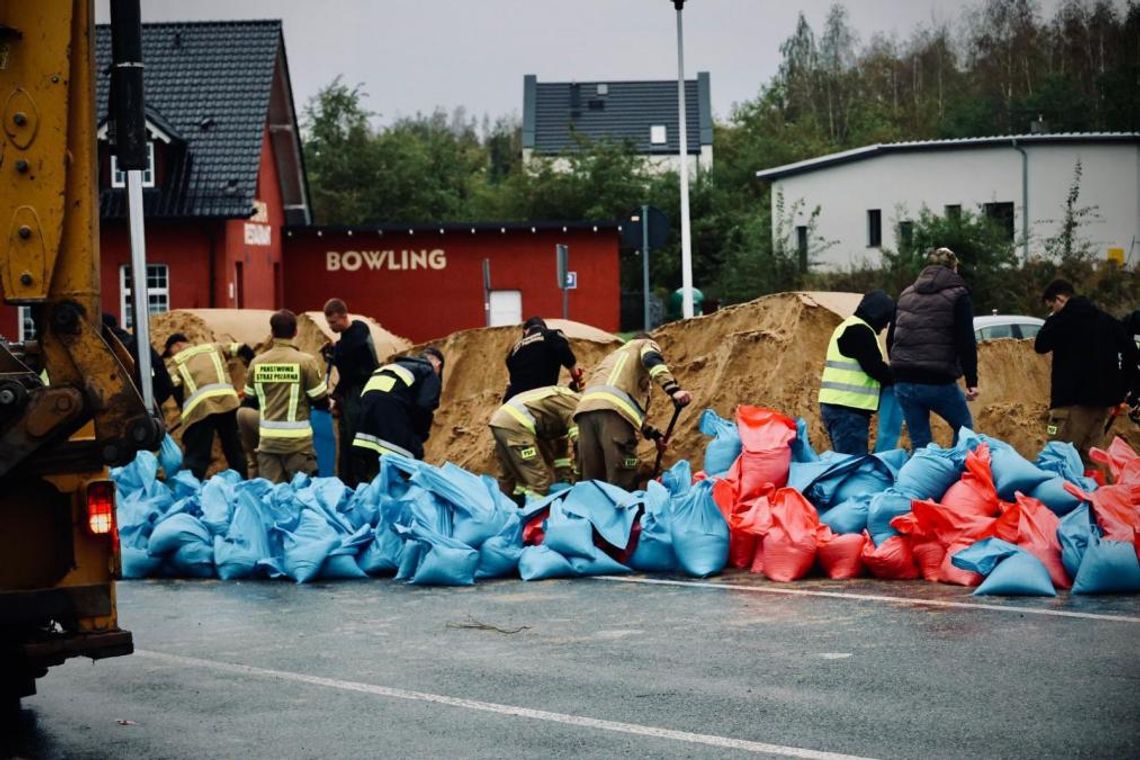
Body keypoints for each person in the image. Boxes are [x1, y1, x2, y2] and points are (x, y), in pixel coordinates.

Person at [1033, 280, 1139, 463]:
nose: (1052, 311)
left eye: (1052, 306)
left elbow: (1040, 344)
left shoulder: (1063, 320)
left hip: (1069, 407)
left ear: (1059, 299)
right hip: (1100, 408)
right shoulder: (1106, 320)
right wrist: (1122, 389)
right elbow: (1132, 352)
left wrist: (1053, 318)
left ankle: (1060, 492)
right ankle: (1091, 492)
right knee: (1090, 462)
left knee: (1057, 458)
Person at [887, 247, 978, 450]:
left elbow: (892, 337)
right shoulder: (958, 294)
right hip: (936, 380)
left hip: (903, 380)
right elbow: (966, 340)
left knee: (920, 443)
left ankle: (924, 478)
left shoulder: (906, 293)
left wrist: (897, 366)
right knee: (964, 429)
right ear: (954, 268)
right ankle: (954, 475)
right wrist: (972, 381)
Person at [573, 334, 691, 490]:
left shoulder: (614, 357)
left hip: (585, 412)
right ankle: (627, 510)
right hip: (612, 413)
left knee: (593, 479)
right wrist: (674, 390)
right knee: (624, 469)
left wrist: (654, 435)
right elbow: (651, 359)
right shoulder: (644, 344)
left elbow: (626, 409)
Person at [241, 310, 329, 483]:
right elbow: (320, 401)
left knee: (273, 499)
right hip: (298, 446)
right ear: (295, 332)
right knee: (300, 499)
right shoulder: (306, 362)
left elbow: (249, 400)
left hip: (268, 445)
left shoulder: (257, 363)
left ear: (272, 333)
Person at [165, 332, 253, 479]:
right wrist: (251, 367)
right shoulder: (214, 347)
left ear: (178, 345)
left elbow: (176, 388)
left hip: (200, 409)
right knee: (234, 448)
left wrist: (185, 412)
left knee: (197, 454)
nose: (170, 355)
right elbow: (242, 349)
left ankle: (190, 489)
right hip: (227, 402)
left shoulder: (175, 362)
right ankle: (242, 482)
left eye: (169, 351)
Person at [818, 290, 895, 455]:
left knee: (846, 461)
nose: (885, 326)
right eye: (885, 320)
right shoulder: (859, 331)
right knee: (852, 465)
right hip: (847, 410)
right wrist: (902, 375)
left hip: (840, 407)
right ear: (877, 314)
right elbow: (875, 368)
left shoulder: (850, 327)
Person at [351, 347, 444, 482]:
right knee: (405, 465)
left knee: (372, 469)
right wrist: (419, 437)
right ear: (438, 365)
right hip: (390, 420)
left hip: (364, 425)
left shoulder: (393, 367)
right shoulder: (429, 372)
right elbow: (424, 406)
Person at [489, 385, 581, 503]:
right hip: (516, 427)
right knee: (539, 481)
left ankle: (503, 511)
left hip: (501, 423)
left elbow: (560, 450)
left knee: (509, 475)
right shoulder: (577, 407)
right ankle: (534, 517)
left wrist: (564, 478)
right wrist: (579, 475)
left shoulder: (562, 401)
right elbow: (581, 445)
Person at [322, 298, 379, 487]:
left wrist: (335, 353)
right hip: (351, 393)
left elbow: (351, 353)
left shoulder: (359, 330)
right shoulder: (345, 341)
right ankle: (347, 481)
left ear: (344, 316)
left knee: (357, 440)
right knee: (346, 442)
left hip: (362, 393)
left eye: (333, 322)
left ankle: (361, 481)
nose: (330, 327)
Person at [102, 313, 174, 409]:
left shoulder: (98, 353)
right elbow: (165, 382)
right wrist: (152, 403)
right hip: (146, 414)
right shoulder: (139, 344)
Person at [504, 317, 582, 400]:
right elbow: (564, 352)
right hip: (541, 397)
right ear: (544, 328)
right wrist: (576, 378)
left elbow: (513, 377)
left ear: (525, 331)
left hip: (513, 400)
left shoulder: (514, 350)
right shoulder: (552, 334)